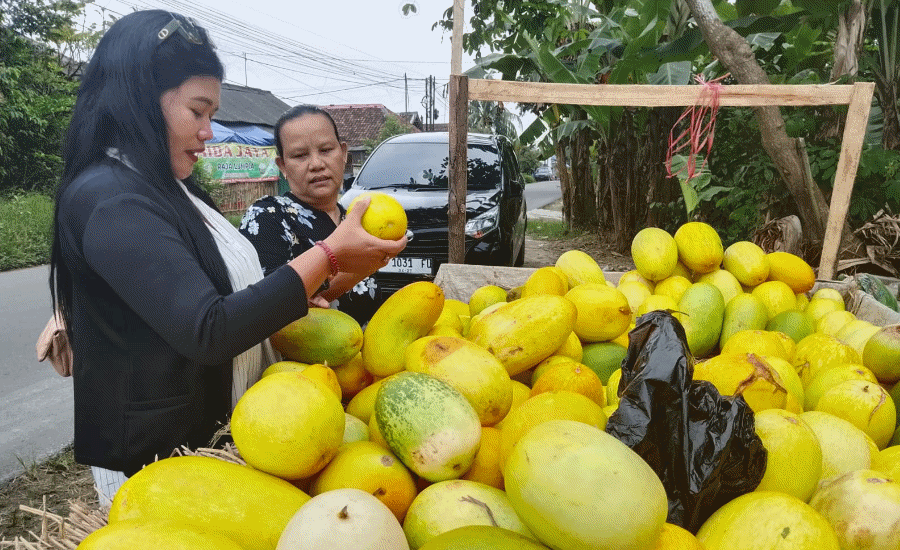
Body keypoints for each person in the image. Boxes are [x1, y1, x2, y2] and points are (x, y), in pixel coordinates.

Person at [48, 10, 405, 508]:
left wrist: (333, 278)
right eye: (198, 111)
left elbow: (234, 297)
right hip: (159, 469)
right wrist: (326, 255)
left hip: (217, 446)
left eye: (212, 115)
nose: (209, 132)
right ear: (138, 102)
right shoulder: (111, 197)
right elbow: (209, 329)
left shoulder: (171, 189)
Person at [239, 105, 387, 325]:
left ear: (344, 153)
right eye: (300, 155)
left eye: (326, 150)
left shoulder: (358, 220)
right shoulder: (268, 217)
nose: (317, 164)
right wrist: (362, 267)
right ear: (283, 166)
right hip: (301, 359)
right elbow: (270, 307)